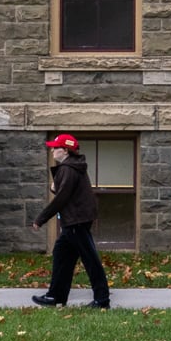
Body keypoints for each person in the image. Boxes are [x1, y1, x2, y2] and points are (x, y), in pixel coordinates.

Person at [31, 132, 111, 309]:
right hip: (75, 221)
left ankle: (102, 299)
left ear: (65, 150)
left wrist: (40, 219)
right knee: (61, 255)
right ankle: (56, 297)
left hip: (76, 221)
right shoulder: (72, 167)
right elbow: (69, 193)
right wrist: (57, 187)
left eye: (55, 148)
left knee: (90, 260)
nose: (52, 151)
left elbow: (61, 199)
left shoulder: (68, 169)